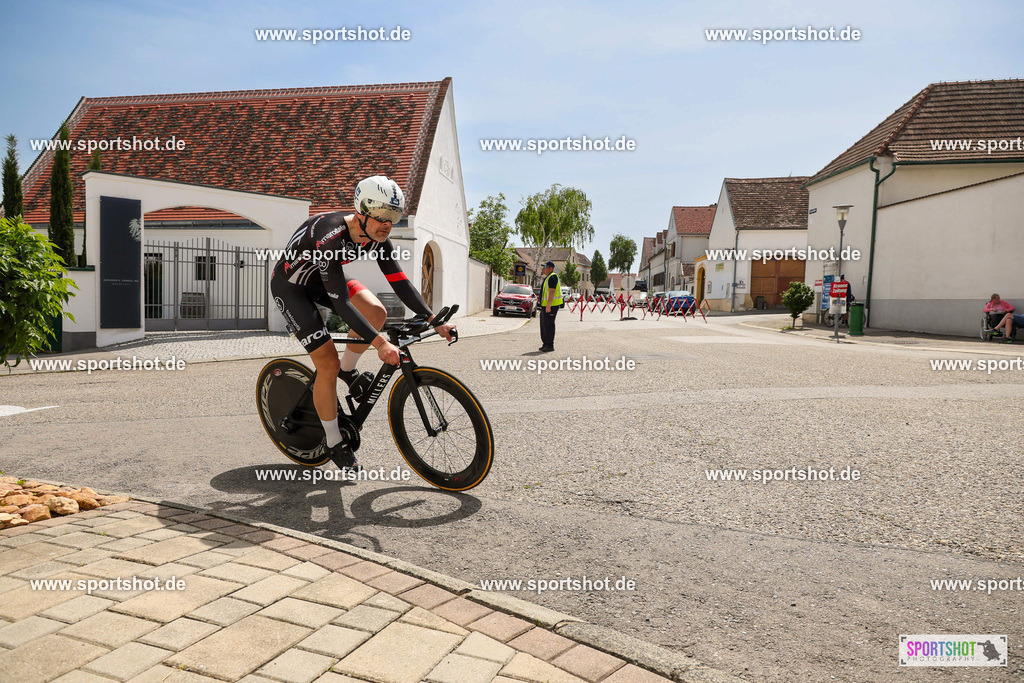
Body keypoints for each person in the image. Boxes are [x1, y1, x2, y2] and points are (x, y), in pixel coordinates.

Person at [270, 175, 456, 470]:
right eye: (382, 216)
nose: (387, 224)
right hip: (292, 288)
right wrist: (380, 343)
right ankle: (334, 442)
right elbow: (342, 303)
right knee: (326, 364)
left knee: (376, 312)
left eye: (393, 217)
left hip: (322, 281)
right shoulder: (330, 236)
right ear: (361, 213)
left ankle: (348, 371)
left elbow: (400, 282)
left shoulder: (378, 238)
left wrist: (434, 320)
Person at [538, 260, 562, 352]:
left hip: (551, 306)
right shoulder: (548, 277)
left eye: (545, 267)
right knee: (544, 326)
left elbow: (552, 291)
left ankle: (550, 345)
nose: (543, 269)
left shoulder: (553, 277)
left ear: (550, 268)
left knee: (549, 325)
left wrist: (549, 305)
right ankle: (545, 344)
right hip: (545, 306)